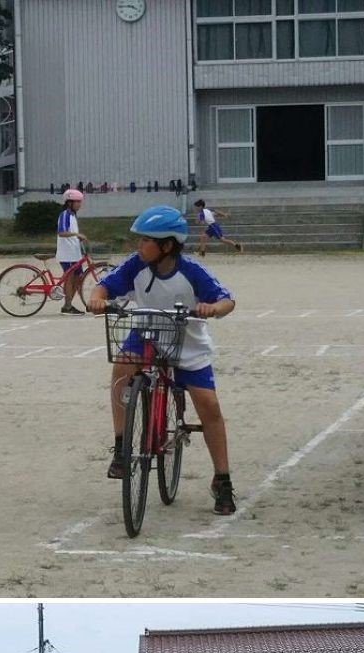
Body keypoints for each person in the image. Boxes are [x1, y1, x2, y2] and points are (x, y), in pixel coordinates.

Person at [88, 204, 239, 516]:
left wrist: (214, 309)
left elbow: (226, 300)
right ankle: (121, 446)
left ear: (167, 245)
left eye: (146, 240)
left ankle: (222, 479)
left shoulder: (192, 271)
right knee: (121, 367)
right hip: (147, 335)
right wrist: (98, 298)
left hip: (187, 345)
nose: (139, 245)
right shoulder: (135, 265)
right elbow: (105, 284)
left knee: (208, 406)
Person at [56, 188, 88, 315]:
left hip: (74, 253)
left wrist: (77, 239)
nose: (79, 204)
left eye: (80, 202)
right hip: (67, 254)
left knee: (78, 277)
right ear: (69, 203)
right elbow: (62, 232)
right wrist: (77, 234)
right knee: (70, 278)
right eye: (77, 202)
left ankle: (69, 303)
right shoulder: (65, 214)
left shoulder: (73, 215)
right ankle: (67, 306)